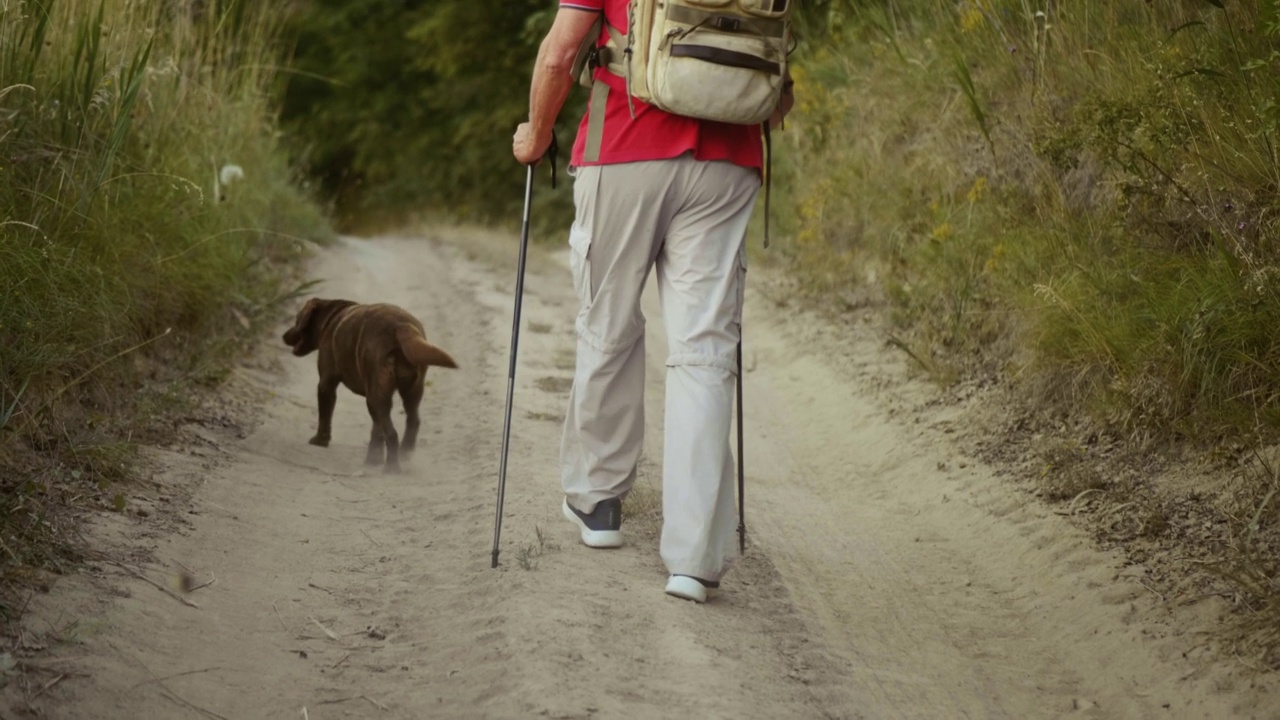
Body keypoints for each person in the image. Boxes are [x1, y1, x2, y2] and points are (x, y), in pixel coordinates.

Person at [513, 1, 794, 604]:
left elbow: (561, 53)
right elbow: (780, 89)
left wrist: (535, 137)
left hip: (623, 147)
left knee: (609, 320)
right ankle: (695, 558)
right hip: (729, 161)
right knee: (704, 352)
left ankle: (598, 502)